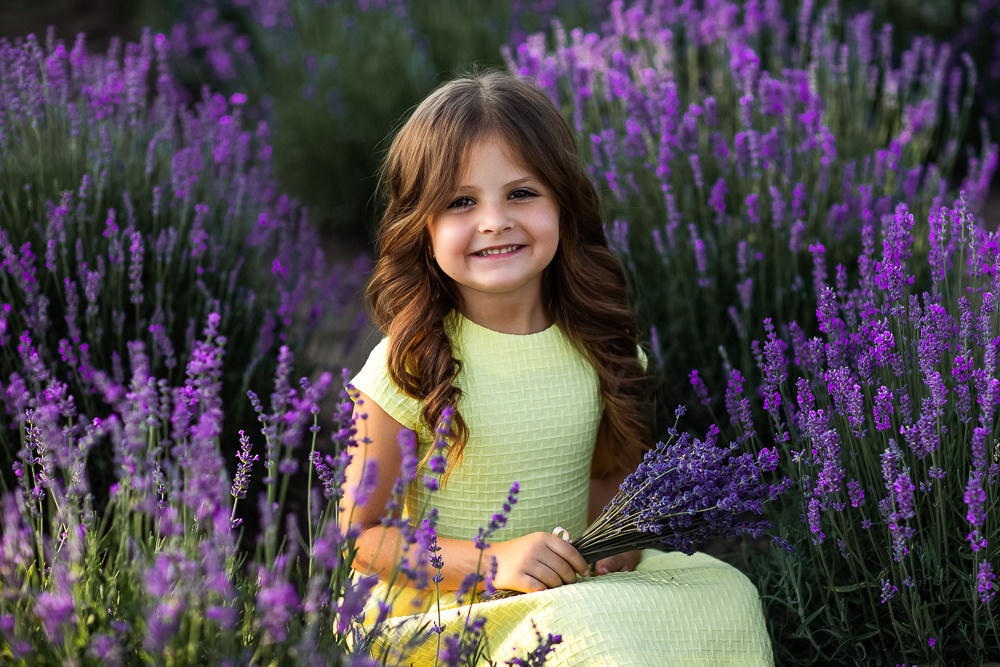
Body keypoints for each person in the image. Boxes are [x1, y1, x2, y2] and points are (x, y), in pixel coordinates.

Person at [341, 70, 772, 665]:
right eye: (461, 202)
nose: (495, 220)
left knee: (730, 595)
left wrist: (614, 542)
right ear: (422, 228)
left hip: (573, 591)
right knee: (589, 639)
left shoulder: (598, 342)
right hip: (446, 609)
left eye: (521, 193)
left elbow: (607, 474)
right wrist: (494, 561)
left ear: (564, 205)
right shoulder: (408, 362)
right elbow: (360, 538)